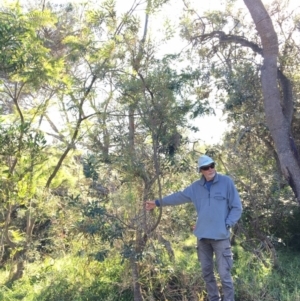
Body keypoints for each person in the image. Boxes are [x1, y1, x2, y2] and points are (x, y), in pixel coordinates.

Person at [146, 155, 242, 301]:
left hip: (221, 237)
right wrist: (157, 203)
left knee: (224, 275)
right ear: (200, 170)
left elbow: (237, 207)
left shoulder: (226, 182)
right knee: (207, 273)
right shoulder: (195, 188)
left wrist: (227, 224)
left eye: (212, 165)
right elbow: (178, 197)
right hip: (203, 238)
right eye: (205, 167)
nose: (210, 169)